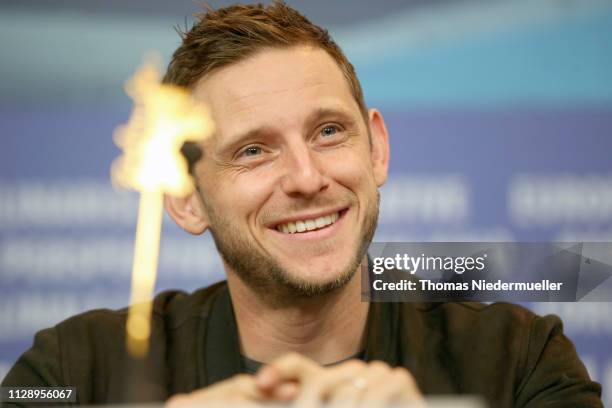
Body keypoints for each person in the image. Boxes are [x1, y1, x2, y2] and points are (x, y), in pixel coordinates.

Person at [2, 2, 603, 407]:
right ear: (186, 200)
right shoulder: (69, 374)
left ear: (377, 149)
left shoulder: (517, 360)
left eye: (328, 132)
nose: (307, 177)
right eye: (254, 150)